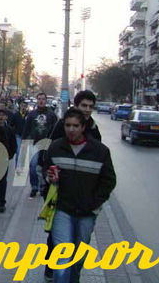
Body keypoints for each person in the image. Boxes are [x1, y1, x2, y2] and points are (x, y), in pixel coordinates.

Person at [43, 108, 116, 283]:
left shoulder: (100, 151)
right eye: (68, 125)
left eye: (75, 125)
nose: (71, 129)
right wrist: (50, 178)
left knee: (78, 257)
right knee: (63, 258)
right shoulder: (55, 148)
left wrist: (94, 204)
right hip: (62, 210)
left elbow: (109, 181)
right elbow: (44, 173)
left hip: (87, 213)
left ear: (83, 127)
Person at [22, 92, 58, 197]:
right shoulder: (31, 114)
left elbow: (56, 130)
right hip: (34, 143)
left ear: (46, 101)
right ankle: (34, 187)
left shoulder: (51, 115)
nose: (41, 101)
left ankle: (43, 186)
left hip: (47, 144)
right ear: (37, 100)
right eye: (39, 99)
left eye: (43, 99)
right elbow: (26, 129)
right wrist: (24, 143)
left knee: (44, 167)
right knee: (33, 166)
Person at [0, 109, 17, 212]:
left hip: (4, 157)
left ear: (6, 117)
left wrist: (10, 155)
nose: (1, 117)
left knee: (2, 180)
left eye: (3, 115)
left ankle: (1, 202)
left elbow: (13, 144)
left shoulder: (9, 130)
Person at [11, 100, 28, 170]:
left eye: (24, 106)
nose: (23, 107)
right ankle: (17, 167)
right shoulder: (16, 115)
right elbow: (11, 124)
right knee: (18, 151)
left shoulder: (29, 115)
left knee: (24, 153)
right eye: (22, 106)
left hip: (26, 137)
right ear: (20, 106)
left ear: (26, 107)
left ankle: (22, 166)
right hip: (18, 136)